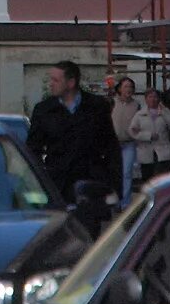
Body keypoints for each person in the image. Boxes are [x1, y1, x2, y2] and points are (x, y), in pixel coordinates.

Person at [27, 59, 121, 204]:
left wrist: (114, 188)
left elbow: (111, 147)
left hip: (90, 186)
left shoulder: (96, 107)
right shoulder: (44, 110)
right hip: (58, 186)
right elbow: (33, 149)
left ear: (71, 83)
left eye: (56, 80)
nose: (50, 84)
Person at [131, 87, 170, 180]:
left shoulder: (166, 112)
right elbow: (133, 131)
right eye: (150, 97)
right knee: (147, 178)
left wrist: (164, 113)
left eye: (155, 97)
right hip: (146, 151)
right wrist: (148, 136)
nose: (153, 99)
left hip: (163, 151)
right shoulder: (139, 114)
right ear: (146, 99)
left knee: (163, 177)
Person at [111, 76, 140, 204]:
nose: (128, 89)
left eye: (131, 87)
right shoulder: (112, 103)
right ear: (119, 89)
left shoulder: (136, 105)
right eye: (126, 86)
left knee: (127, 173)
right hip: (114, 144)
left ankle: (125, 203)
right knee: (114, 173)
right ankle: (114, 201)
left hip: (129, 143)